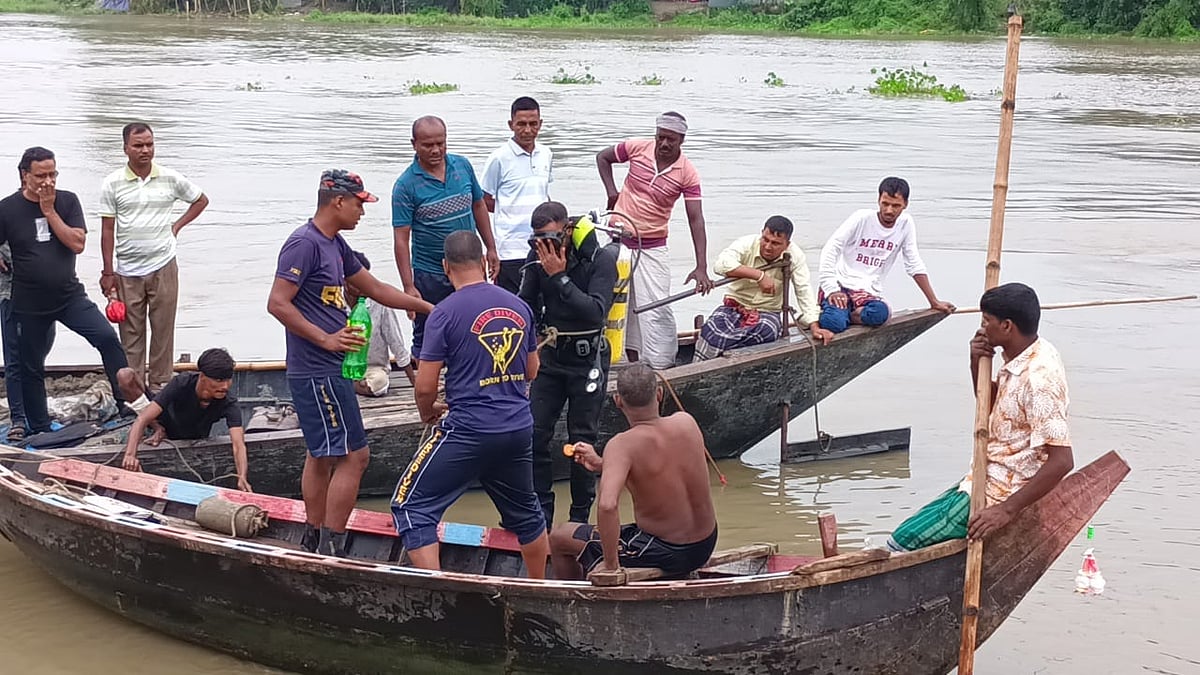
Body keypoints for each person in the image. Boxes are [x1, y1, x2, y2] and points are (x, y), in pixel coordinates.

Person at [267, 169, 433, 557]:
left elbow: (376, 288)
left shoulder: (335, 245)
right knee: (355, 456)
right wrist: (326, 338)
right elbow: (277, 302)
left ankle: (314, 534)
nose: (362, 210)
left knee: (321, 454)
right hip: (317, 368)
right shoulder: (303, 244)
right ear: (337, 201)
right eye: (359, 203)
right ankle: (333, 544)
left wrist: (427, 308)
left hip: (333, 367)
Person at [391, 230, 549, 578]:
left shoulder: (444, 314)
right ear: (483, 262)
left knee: (411, 506)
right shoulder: (519, 306)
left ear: (445, 267)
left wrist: (428, 412)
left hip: (468, 431)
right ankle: (539, 586)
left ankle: (438, 589)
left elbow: (425, 386)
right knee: (527, 513)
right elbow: (532, 370)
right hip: (517, 427)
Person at [886, 283, 1074, 551]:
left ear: (1007, 326)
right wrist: (976, 361)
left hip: (1000, 491)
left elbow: (1063, 461)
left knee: (901, 542)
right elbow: (992, 408)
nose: (982, 328)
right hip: (982, 473)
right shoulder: (1017, 357)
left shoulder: (1039, 380)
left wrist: (1006, 511)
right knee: (911, 527)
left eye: (987, 321)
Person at [0, 147, 130, 436]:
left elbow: (77, 244)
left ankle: (124, 403)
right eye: (41, 175)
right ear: (25, 176)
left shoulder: (67, 201)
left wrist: (49, 211)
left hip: (68, 296)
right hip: (28, 302)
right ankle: (39, 426)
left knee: (107, 338)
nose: (48, 181)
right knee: (30, 365)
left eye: (52, 174)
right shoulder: (7, 209)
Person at [549, 363, 718, 580]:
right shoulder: (687, 422)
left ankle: (573, 602)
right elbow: (658, 470)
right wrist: (603, 464)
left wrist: (611, 564)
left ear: (618, 401)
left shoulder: (622, 445)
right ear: (659, 393)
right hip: (705, 543)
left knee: (559, 536)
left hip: (667, 551)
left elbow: (607, 505)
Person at [519, 201, 618, 528]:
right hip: (551, 359)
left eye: (551, 238)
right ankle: (542, 514)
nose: (545, 247)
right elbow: (525, 308)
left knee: (582, 441)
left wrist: (559, 277)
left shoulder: (600, 259)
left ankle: (578, 519)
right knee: (534, 434)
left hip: (587, 359)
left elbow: (595, 312)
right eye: (538, 240)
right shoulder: (537, 260)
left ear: (568, 230)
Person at [596, 111, 713, 369]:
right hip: (619, 240)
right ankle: (620, 361)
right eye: (661, 137)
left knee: (656, 307)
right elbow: (603, 157)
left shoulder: (687, 173)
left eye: (671, 139)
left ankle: (661, 365)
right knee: (617, 306)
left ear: (681, 140)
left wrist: (701, 266)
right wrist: (612, 192)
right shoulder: (637, 148)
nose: (664, 144)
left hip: (652, 246)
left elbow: (696, 219)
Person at [99, 123, 209, 393]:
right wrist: (108, 272)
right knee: (131, 336)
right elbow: (107, 229)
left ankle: (161, 387)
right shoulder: (112, 183)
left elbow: (200, 200)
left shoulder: (169, 178)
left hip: (163, 265)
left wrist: (177, 226)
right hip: (127, 270)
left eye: (149, 144)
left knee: (163, 331)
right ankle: (134, 392)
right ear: (125, 148)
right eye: (138, 145)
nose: (145, 150)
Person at [392, 115, 500, 365]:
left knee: (475, 325)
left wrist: (491, 247)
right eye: (428, 145)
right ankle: (425, 391)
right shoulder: (405, 186)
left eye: (441, 143)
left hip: (471, 266)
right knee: (427, 333)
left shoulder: (462, 166)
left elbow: (479, 205)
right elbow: (401, 239)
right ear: (414, 144)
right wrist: (408, 286)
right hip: (430, 272)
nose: (436, 150)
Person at [817, 176, 955, 333]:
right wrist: (832, 289)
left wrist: (934, 301)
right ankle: (839, 312)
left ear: (905, 205)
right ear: (879, 200)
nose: (889, 210)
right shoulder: (861, 218)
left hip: (867, 294)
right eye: (885, 204)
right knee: (833, 323)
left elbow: (913, 264)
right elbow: (831, 248)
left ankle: (851, 314)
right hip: (841, 286)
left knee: (881, 314)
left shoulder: (905, 224)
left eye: (896, 205)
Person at [695, 216, 834, 361]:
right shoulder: (746, 244)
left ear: (787, 245)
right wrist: (759, 276)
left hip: (767, 312)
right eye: (765, 239)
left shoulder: (795, 256)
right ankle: (703, 365)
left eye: (775, 243)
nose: (768, 247)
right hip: (734, 307)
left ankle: (724, 353)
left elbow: (803, 290)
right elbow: (721, 265)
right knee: (710, 329)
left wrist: (814, 326)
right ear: (761, 233)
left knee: (767, 331)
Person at [121, 347, 252, 492]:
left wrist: (242, 477)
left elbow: (238, 445)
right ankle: (159, 429)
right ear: (202, 376)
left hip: (194, 435)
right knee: (125, 375)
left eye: (228, 380)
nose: (225, 386)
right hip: (164, 421)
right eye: (219, 380)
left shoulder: (229, 402)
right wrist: (130, 455)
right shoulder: (182, 383)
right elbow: (142, 419)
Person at [482, 96, 553, 293]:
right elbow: (484, 200)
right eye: (521, 124)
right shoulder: (498, 158)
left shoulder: (546, 154)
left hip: (541, 246)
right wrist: (509, 211)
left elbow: (544, 194)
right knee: (513, 306)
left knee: (542, 306)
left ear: (540, 124)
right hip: (510, 251)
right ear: (511, 125)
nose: (527, 130)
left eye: (533, 124)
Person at [2, 242, 56, 442]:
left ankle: (39, 419)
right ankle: (18, 419)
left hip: (43, 287)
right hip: (11, 288)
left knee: (39, 351)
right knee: (14, 355)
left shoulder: (46, 210)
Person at [344, 250, 415, 397]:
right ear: (345, 280)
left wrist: (414, 381)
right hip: (343, 366)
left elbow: (396, 342)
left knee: (379, 384)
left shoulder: (379, 304)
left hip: (372, 368)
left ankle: (350, 386)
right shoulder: (335, 303)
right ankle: (350, 384)